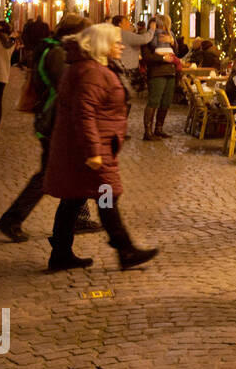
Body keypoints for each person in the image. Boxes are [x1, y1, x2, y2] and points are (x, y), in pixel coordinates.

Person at [43, 23, 158, 272]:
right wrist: (93, 151)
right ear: (102, 45)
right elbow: (84, 114)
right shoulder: (92, 72)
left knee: (73, 199)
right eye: (115, 42)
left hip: (86, 146)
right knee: (107, 196)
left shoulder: (91, 67)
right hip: (90, 149)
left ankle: (60, 253)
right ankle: (125, 249)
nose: (120, 45)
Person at [0, 15, 96, 242]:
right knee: (47, 175)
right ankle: (12, 219)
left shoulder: (55, 50)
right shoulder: (58, 54)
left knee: (77, 170)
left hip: (55, 119)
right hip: (55, 121)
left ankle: (78, 217)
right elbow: (68, 86)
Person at [141, 14, 180, 140]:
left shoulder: (170, 35)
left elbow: (176, 52)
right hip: (157, 72)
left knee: (166, 102)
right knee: (154, 101)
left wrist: (172, 42)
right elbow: (147, 57)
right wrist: (162, 58)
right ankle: (147, 131)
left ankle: (159, 128)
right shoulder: (148, 36)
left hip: (170, 72)